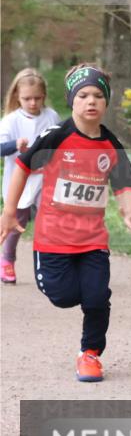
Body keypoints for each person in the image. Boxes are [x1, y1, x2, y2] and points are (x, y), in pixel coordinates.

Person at [0, 63, 131, 382]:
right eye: (83, 95)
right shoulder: (56, 136)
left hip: (93, 240)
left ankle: (90, 354)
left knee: (97, 297)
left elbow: (124, 182)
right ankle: (78, 293)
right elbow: (22, 167)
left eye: (98, 96)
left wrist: (128, 211)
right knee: (63, 296)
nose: (91, 101)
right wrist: (9, 211)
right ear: (71, 101)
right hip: (53, 240)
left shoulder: (110, 144)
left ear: (106, 102)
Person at [0, 68, 61, 283]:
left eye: (37, 98)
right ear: (17, 96)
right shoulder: (11, 120)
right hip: (19, 180)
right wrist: (15, 144)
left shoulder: (51, 116)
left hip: (45, 178)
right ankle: (7, 260)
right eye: (27, 99)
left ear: (44, 96)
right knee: (17, 222)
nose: (33, 103)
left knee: (49, 219)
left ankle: (50, 262)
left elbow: (59, 143)